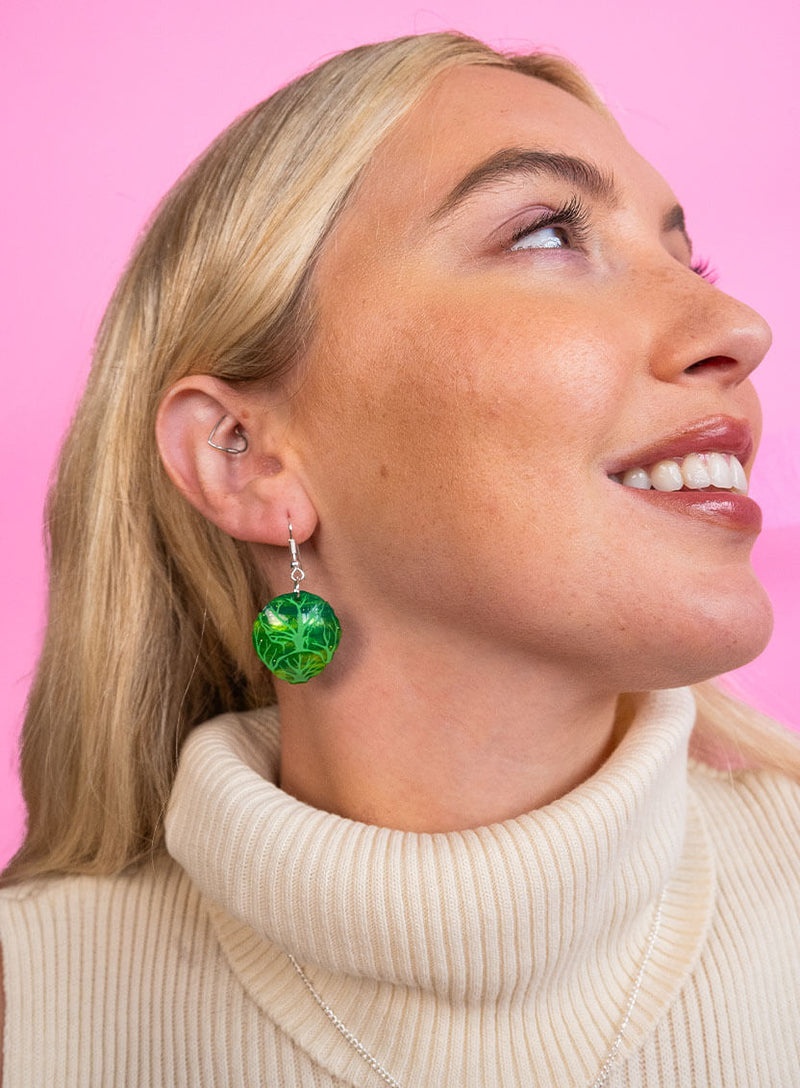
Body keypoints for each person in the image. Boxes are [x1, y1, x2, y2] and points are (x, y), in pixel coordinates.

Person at [1, 30, 799, 1087]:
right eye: (545, 232)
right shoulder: (28, 1012)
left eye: (688, 260)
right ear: (244, 457)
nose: (737, 326)